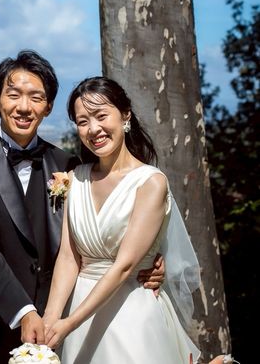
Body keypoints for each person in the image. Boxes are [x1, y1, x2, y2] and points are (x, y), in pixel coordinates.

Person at [0, 53, 164, 364]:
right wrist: (24, 312)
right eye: (13, 95)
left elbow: (96, 235)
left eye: (36, 97)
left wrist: (150, 261)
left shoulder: (69, 166)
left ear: (47, 107)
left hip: (59, 324)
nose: (24, 107)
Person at [36, 76, 217, 363]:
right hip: (77, 311)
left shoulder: (150, 183)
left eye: (101, 116)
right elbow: (69, 258)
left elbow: (124, 266)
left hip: (131, 314)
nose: (93, 129)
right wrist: (51, 318)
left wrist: (70, 323)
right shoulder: (76, 179)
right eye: (83, 121)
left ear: (125, 115)